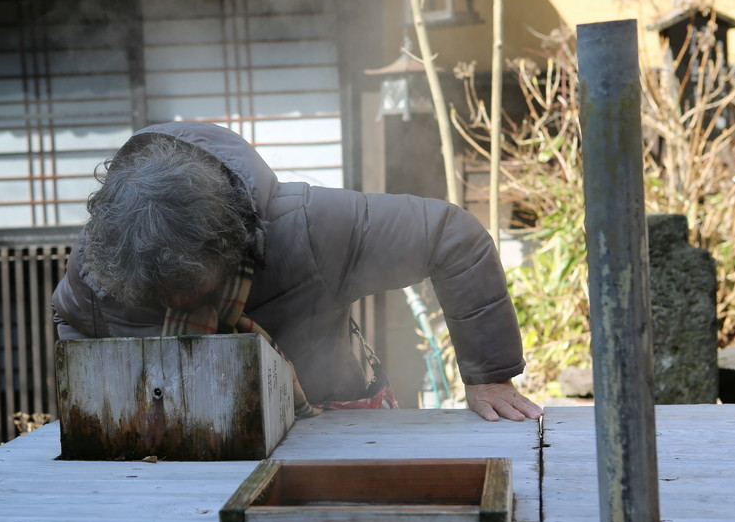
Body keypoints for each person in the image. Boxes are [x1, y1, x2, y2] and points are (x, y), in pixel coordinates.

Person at [51, 121, 543, 422]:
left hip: (330, 414)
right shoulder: (99, 266)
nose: (176, 303)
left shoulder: (306, 227)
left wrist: (490, 376)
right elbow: (73, 323)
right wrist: (113, 410)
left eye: (186, 286)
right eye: (157, 294)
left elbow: (450, 234)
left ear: (231, 239)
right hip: (183, 432)